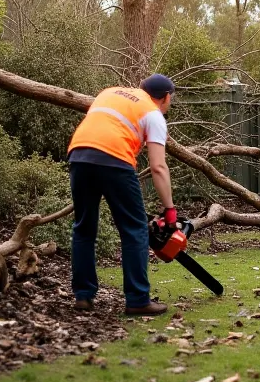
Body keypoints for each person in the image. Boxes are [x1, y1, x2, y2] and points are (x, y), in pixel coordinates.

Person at [66, 74, 178, 316]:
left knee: (84, 227)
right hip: (115, 159)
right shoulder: (153, 114)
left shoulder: (109, 92)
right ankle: (137, 299)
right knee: (134, 229)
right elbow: (158, 167)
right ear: (166, 97)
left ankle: (83, 296)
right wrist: (170, 210)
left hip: (78, 155)